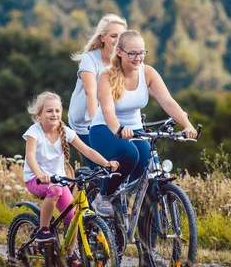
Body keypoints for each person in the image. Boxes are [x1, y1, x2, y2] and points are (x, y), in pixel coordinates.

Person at [88, 30, 198, 216]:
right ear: (120, 52)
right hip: (105, 129)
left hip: (136, 131)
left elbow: (167, 101)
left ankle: (149, 244)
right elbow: (108, 111)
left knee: (150, 180)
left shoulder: (148, 73)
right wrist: (119, 129)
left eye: (141, 53)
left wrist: (187, 125)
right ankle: (104, 196)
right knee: (130, 154)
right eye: (132, 53)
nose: (138, 58)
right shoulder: (107, 76)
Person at [23, 91, 119, 251]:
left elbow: (87, 150)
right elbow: (31, 157)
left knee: (73, 218)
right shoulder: (34, 132)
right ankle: (43, 230)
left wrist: (106, 163)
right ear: (39, 114)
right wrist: (40, 174)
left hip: (59, 181)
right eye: (49, 111)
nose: (54, 114)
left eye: (57, 110)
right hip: (36, 179)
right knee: (54, 190)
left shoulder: (65, 131)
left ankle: (70, 253)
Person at [67, 14, 127, 168]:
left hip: (106, 116)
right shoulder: (90, 59)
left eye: (121, 36)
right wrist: (97, 125)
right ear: (102, 38)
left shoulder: (124, 60)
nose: (118, 40)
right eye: (113, 36)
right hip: (85, 120)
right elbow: (91, 93)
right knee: (102, 166)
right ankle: (98, 190)